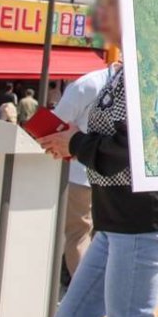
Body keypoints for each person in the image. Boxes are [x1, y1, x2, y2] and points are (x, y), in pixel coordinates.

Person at [34, 0, 158, 317]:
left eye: (111, 5)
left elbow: (130, 149)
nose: (100, 13)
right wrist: (70, 143)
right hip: (114, 220)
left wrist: (75, 142)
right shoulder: (123, 70)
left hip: (144, 221)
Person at [55, 67, 113, 282]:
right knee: (106, 237)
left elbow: (55, 124)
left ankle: (84, 292)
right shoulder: (129, 84)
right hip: (113, 174)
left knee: (78, 234)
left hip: (81, 173)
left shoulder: (86, 84)